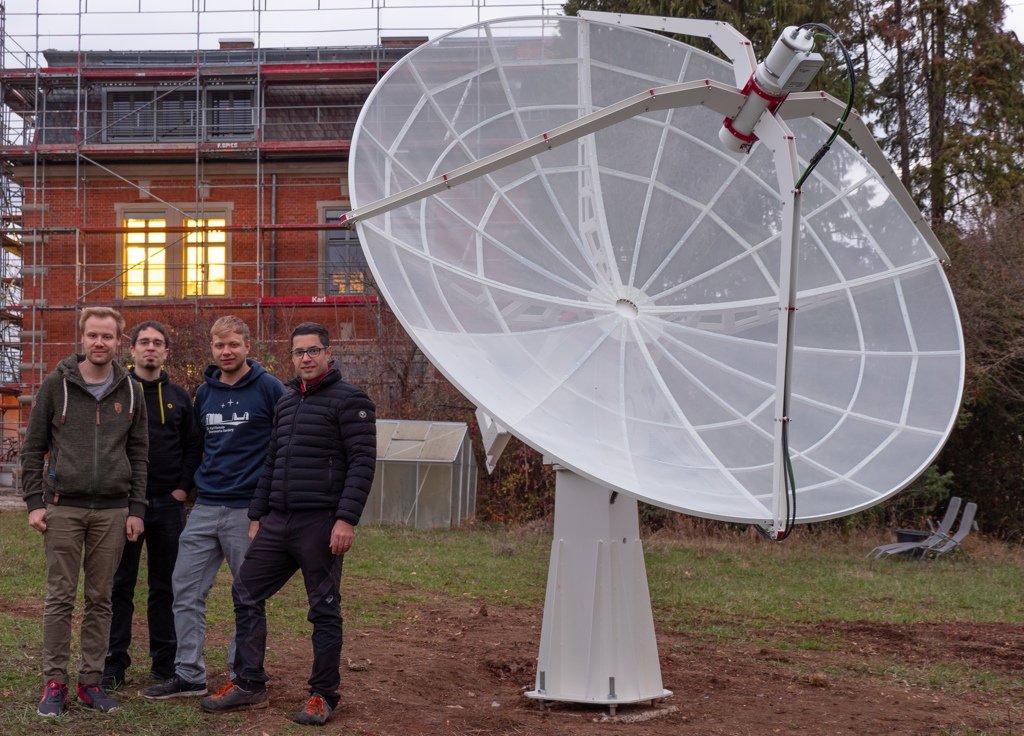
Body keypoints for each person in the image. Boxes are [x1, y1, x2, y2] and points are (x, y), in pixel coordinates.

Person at [200, 322, 375, 725]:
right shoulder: (287, 400)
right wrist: (258, 515)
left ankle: (322, 694)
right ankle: (249, 684)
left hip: (322, 521)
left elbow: (363, 464)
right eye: (299, 352)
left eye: (313, 350)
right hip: (278, 520)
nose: (306, 359)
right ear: (291, 357)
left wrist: (346, 519)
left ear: (329, 353)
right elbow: (272, 461)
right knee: (245, 591)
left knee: (324, 608)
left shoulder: (352, 400)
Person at [143, 316, 284, 700]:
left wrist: (267, 506)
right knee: (184, 589)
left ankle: (245, 672)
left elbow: (284, 446)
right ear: (212, 348)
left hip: (248, 510)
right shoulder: (204, 394)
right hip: (205, 506)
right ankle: (189, 674)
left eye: (234, 345)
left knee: (248, 594)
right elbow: (197, 445)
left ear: (247, 347)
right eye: (220, 346)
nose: (226, 352)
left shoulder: (271, 389)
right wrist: (183, 490)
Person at [21, 306, 148, 717]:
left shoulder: (132, 390)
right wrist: (34, 503)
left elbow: (139, 454)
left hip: (113, 511)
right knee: (60, 597)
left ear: (118, 342)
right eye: (93, 335)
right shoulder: (55, 385)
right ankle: (54, 682)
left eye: (107, 337)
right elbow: (32, 447)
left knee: (101, 599)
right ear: (82, 338)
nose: (99, 343)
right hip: (63, 509)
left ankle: (91, 682)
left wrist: (136, 508)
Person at [102, 321, 202, 690]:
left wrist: (181, 490)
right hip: (126, 506)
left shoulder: (178, 395)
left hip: (168, 506)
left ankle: (165, 663)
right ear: (131, 350)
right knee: (120, 584)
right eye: (143, 342)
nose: (150, 348)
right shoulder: (117, 392)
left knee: (167, 586)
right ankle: (114, 663)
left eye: (157, 343)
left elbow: (193, 446)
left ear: (165, 352)